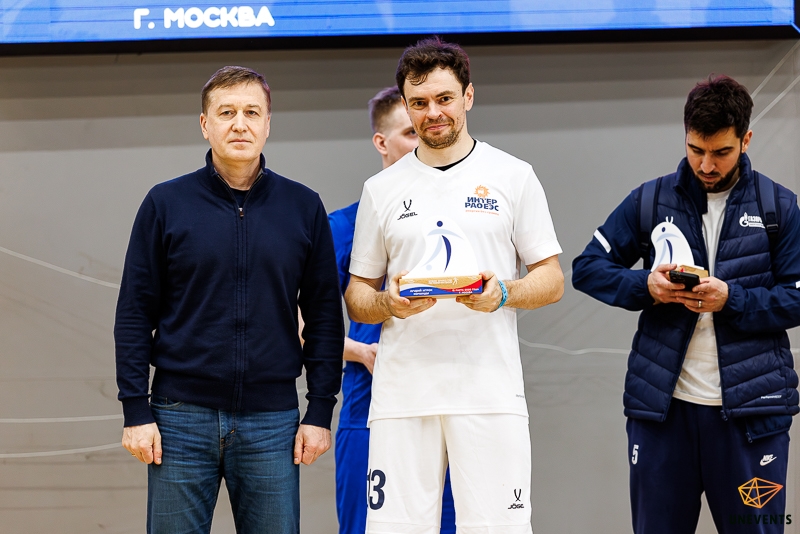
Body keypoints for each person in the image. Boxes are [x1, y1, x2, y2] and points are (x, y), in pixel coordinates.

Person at [344, 38, 564, 534]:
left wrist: (502, 294)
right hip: (403, 397)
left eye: (444, 98)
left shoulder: (513, 176)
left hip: (489, 392)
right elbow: (357, 297)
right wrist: (388, 303)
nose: (432, 113)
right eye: (419, 103)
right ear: (406, 106)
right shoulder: (380, 190)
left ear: (468, 96)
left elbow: (552, 279)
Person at [114, 65, 344, 534]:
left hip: (272, 423)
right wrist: (135, 410)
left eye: (252, 112)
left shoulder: (303, 207)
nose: (240, 124)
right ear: (205, 124)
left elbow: (324, 317)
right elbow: (134, 313)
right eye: (226, 112)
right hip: (179, 420)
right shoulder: (165, 203)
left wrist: (320, 410)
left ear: (268, 123)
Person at [572, 75, 800, 533]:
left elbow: (796, 299)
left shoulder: (779, 206)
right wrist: (646, 285)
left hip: (751, 418)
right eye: (696, 150)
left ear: (746, 140)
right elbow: (587, 268)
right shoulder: (649, 200)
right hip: (663, 415)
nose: (706, 165)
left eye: (721, 152)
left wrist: (732, 298)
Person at [329, 86, 455, 534]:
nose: (422, 137)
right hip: (370, 411)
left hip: (448, 408)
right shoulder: (344, 226)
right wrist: (361, 352)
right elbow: (293, 323)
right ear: (381, 142)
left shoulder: (456, 221)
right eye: (409, 132)